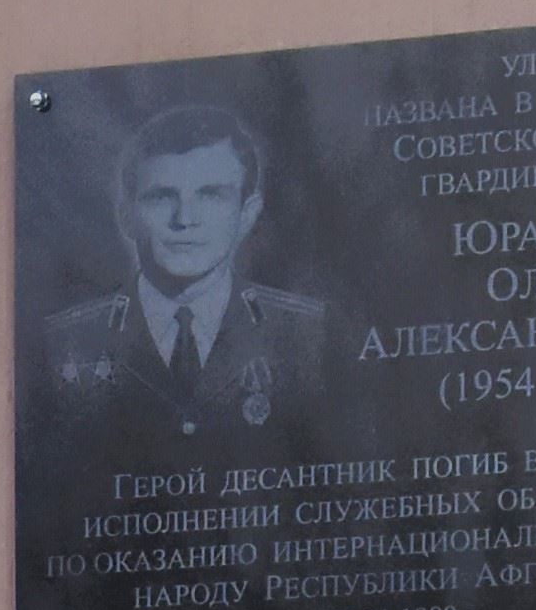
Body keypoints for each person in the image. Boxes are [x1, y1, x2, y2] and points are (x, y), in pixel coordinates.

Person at [32, 98, 336, 468]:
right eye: (162, 197)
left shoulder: (306, 335)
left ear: (247, 213)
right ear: (126, 215)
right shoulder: (64, 342)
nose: (185, 219)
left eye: (211, 195)